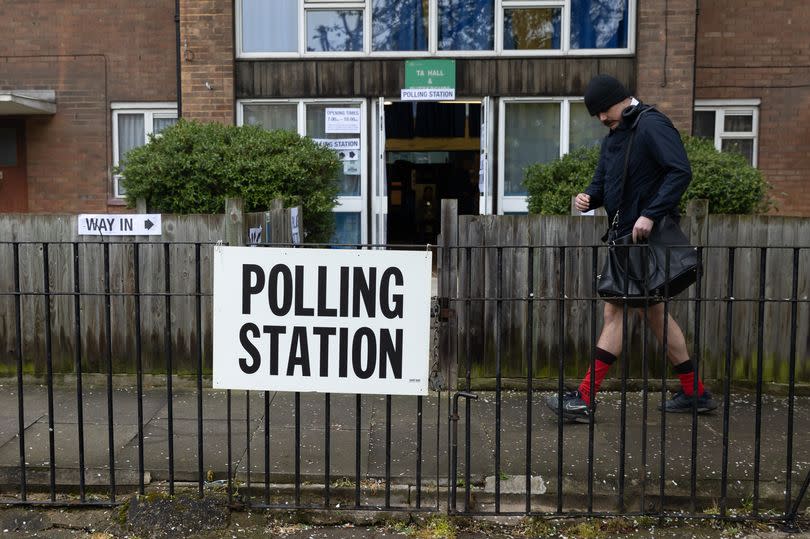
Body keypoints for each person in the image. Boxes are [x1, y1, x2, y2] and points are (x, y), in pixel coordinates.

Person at [545, 74, 717, 423]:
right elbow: (603, 181)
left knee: (616, 314)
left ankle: (584, 398)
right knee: (654, 315)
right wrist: (588, 198)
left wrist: (651, 215)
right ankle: (694, 392)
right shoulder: (615, 137)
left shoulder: (652, 124)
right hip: (625, 241)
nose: (601, 119)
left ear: (619, 100)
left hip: (642, 241)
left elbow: (679, 171)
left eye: (603, 111)